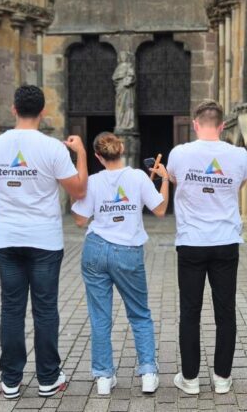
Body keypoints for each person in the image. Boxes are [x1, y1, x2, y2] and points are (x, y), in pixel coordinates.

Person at [0, 85, 87, 399]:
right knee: (45, 309)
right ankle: (48, 377)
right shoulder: (52, 148)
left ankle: (10, 380)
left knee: (11, 309)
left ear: (12, 109)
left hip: (6, 239)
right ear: (43, 111)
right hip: (44, 240)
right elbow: (78, 190)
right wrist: (82, 155)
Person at [71, 132, 169, 395]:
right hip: (127, 252)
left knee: (100, 317)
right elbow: (160, 210)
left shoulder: (92, 181)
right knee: (139, 314)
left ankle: (104, 377)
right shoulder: (138, 177)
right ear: (122, 148)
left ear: (97, 156)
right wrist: (165, 180)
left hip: (95, 250)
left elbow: (80, 220)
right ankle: (148, 373)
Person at [167, 99, 247, 395]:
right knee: (225, 311)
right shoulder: (239, 155)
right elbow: (238, 186)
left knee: (190, 311)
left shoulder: (179, 153)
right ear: (223, 125)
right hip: (225, 240)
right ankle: (222, 378)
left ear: (195, 124)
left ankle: (190, 379)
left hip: (191, 241)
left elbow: (176, 180)